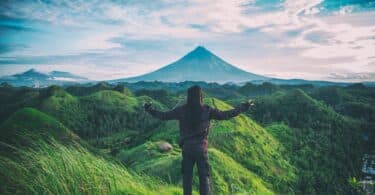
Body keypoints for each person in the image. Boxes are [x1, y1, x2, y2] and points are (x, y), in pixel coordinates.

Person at [144, 85, 253, 195]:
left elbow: (164, 116)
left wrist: (150, 109)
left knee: (187, 179)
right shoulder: (207, 110)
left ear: (188, 96)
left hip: (187, 149)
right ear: (201, 96)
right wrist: (243, 107)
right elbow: (226, 115)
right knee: (204, 178)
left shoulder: (181, 110)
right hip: (201, 149)